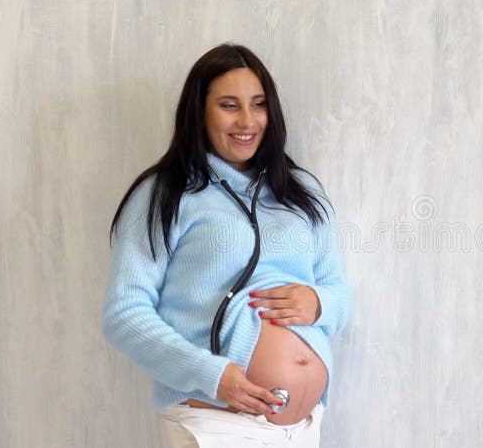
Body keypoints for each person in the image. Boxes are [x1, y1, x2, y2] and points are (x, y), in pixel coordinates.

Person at [101, 43, 353, 448]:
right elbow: (124, 314)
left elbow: (339, 295)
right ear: (199, 113)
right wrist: (210, 374)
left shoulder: (302, 192)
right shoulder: (164, 193)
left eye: (258, 104)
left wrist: (319, 303)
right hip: (214, 423)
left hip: (304, 428)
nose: (248, 121)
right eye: (229, 105)